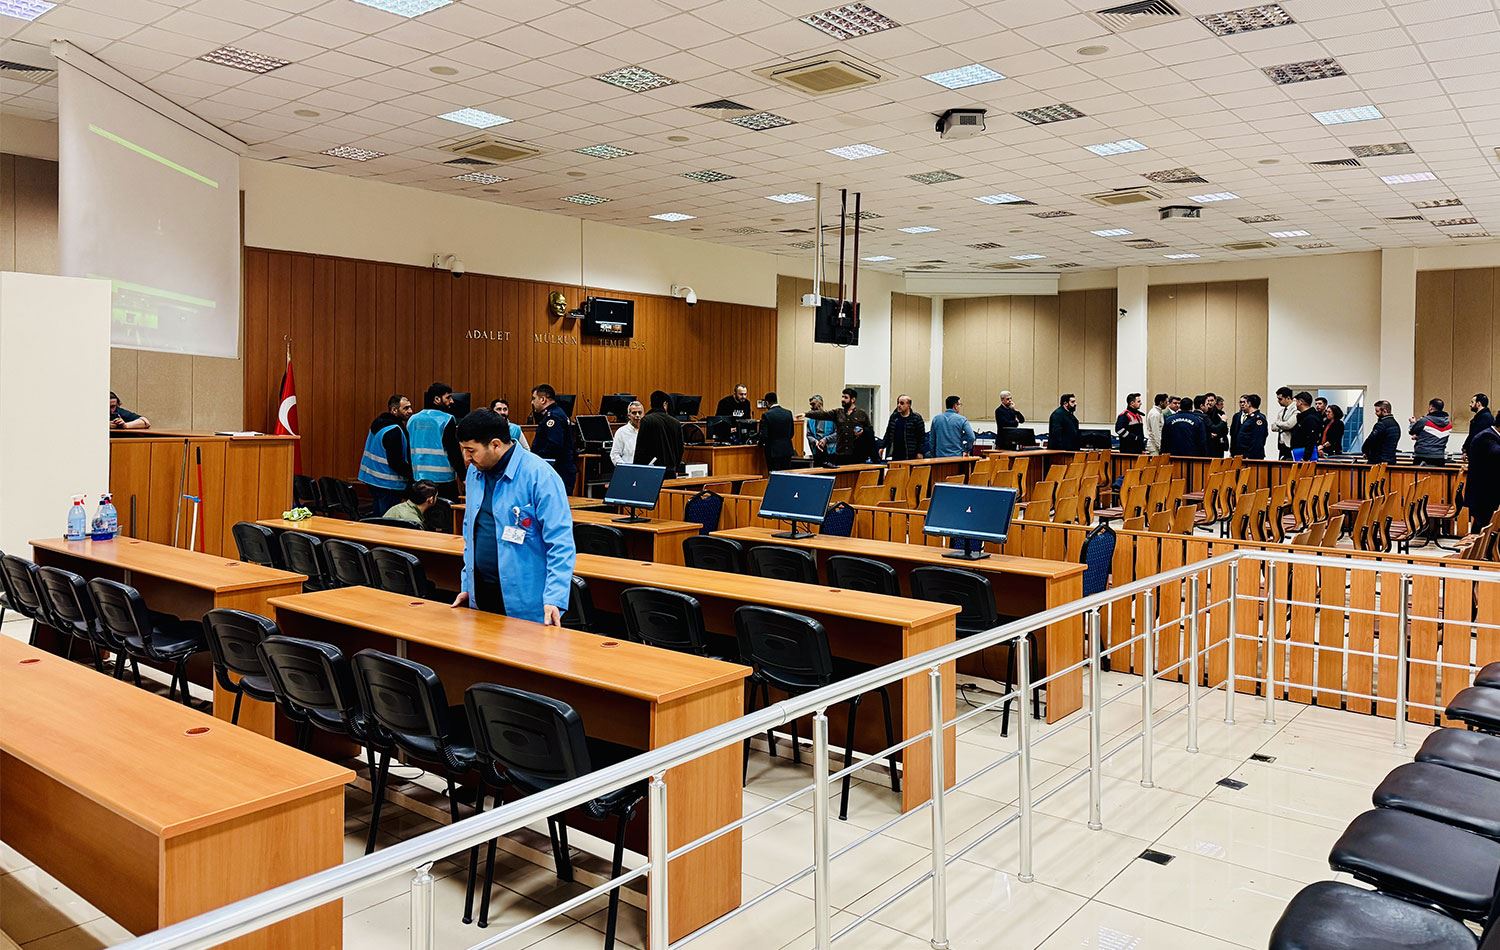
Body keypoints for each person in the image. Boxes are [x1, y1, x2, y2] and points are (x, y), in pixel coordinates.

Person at [453, 409, 575, 625]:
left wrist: (555, 598)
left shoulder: (540, 475)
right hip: (481, 595)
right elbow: (470, 533)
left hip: (527, 601)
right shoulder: (474, 472)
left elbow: (561, 543)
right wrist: (467, 586)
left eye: (471, 451)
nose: (466, 458)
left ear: (496, 445)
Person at [408, 382, 466, 499]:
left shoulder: (412, 419)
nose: (451, 401)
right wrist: (463, 476)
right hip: (443, 480)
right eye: (448, 397)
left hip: (418, 478)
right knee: (446, 509)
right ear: (437, 399)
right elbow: (453, 451)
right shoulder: (447, 419)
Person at [357, 401, 411, 515]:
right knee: (387, 519)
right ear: (394, 410)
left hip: (371, 479)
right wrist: (412, 475)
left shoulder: (378, 423)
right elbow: (396, 463)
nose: (410, 411)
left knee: (378, 516)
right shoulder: (394, 430)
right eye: (406, 408)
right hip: (388, 483)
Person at [805, 387, 874, 466]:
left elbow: (870, 433)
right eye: (842, 397)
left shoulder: (861, 414)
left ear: (853, 400)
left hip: (856, 454)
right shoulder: (838, 413)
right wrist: (806, 414)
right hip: (840, 454)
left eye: (845, 397)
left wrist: (863, 431)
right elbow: (823, 414)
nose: (842, 399)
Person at [530, 383, 577, 489]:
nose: (532, 402)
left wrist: (535, 458)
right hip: (559, 470)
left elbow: (554, 445)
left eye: (534, 398)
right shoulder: (556, 413)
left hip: (558, 471)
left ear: (542, 399)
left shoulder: (553, 417)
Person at [635, 390, 684, 474]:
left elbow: (641, 448)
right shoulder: (676, 423)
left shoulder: (647, 420)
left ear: (651, 404)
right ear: (665, 404)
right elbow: (680, 449)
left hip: (652, 470)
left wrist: (636, 470)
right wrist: (675, 466)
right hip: (670, 470)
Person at [1465, 420, 1500, 529]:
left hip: (1487, 490)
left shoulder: (1491, 435)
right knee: (1483, 524)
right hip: (1483, 491)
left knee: (1483, 525)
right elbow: (1495, 452)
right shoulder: (1486, 436)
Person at [1409, 398, 1453, 465]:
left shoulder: (1424, 421)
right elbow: (1435, 436)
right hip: (1439, 456)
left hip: (1422, 456)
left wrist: (1413, 423)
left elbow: (1412, 431)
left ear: (1431, 407)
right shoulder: (1449, 424)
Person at [882, 394, 926, 461]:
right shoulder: (894, 417)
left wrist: (920, 452)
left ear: (908, 405)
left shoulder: (916, 418)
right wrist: (882, 446)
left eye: (902, 403)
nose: (899, 405)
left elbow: (921, 437)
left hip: (911, 453)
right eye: (898, 403)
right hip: (896, 454)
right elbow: (888, 433)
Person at [759, 392, 795, 471]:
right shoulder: (788, 413)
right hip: (787, 450)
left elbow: (764, 435)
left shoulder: (766, 415)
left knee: (774, 474)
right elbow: (792, 433)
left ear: (767, 402)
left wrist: (759, 444)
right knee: (786, 474)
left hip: (773, 451)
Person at [1230, 394, 1268, 459]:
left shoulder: (1258, 418)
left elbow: (1257, 440)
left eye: (1245, 403)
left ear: (1249, 404)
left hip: (1251, 456)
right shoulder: (1249, 418)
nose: (1243, 405)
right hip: (1242, 454)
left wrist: (1250, 456)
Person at [609, 400, 644, 467]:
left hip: (645, 470)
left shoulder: (648, 430)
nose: (637, 415)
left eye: (640, 413)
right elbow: (615, 455)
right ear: (629, 416)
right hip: (627, 469)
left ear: (643, 414)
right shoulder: (621, 432)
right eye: (634, 413)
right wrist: (625, 468)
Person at [805, 394, 836, 465]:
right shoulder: (810, 420)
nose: (811, 407)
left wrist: (825, 439)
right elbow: (809, 435)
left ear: (820, 404)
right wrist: (815, 441)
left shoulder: (831, 417)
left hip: (830, 452)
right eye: (811, 405)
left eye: (813, 404)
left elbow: (837, 433)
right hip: (816, 451)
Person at [1291, 391, 1322, 461]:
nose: (1295, 404)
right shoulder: (1303, 417)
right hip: (1298, 451)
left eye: (1296, 401)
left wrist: (1305, 458)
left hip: (1305, 455)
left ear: (1300, 402)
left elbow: (1311, 439)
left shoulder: (1310, 418)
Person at [1270, 387, 1297, 460]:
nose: (1278, 401)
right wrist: (1282, 425)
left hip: (1291, 444)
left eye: (1280, 399)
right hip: (1282, 444)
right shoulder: (1282, 411)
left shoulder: (1295, 409)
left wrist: (1278, 423)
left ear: (1288, 398)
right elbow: (1273, 427)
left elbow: (1289, 425)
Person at [1464, 394, 1494, 458]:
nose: (1470, 404)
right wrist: (1465, 449)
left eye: (1472, 402)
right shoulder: (1482, 416)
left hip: (1480, 455)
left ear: (1478, 404)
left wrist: (1466, 449)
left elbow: (1475, 436)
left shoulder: (1484, 417)